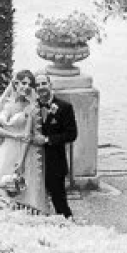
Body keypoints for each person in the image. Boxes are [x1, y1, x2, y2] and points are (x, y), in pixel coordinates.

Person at [0, 70, 40, 202]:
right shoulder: (4, 103)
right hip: (5, 149)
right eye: (23, 83)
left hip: (22, 150)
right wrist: (15, 136)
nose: (26, 87)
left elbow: (27, 136)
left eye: (29, 85)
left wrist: (21, 161)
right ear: (16, 84)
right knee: (0, 185)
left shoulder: (30, 107)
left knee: (19, 188)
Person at [34, 73, 77, 219]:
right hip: (34, 163)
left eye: (43, 84)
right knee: (34, 202)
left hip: (55, 163)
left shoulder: (65, 107)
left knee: (59, 202)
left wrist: (47, 140)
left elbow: (72, 135)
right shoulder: (31, 108)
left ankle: (69, 227)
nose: (41, 88)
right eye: (38, 85)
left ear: (50, 85)